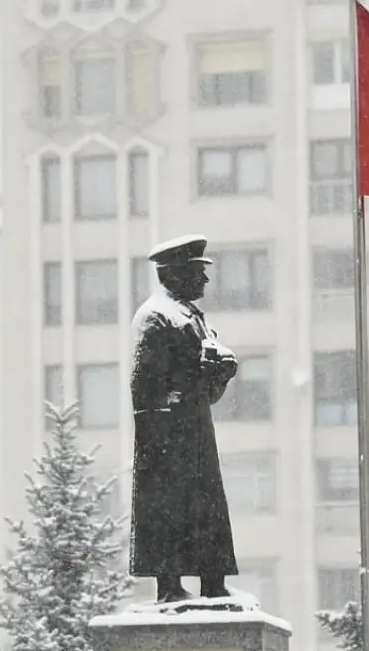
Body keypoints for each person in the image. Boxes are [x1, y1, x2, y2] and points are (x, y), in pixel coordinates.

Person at [128, 234, 240, 603]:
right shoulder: (155, 317)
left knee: (206, 506)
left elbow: (204, 393)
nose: (205, 280)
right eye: (197, 272)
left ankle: (213, 583)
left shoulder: (190, 316)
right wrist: (197, 374)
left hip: (193, 431)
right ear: (175, 274)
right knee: (169, 511)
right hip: (166, 437)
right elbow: (145, 384)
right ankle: (170, 586)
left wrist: (219, 373)